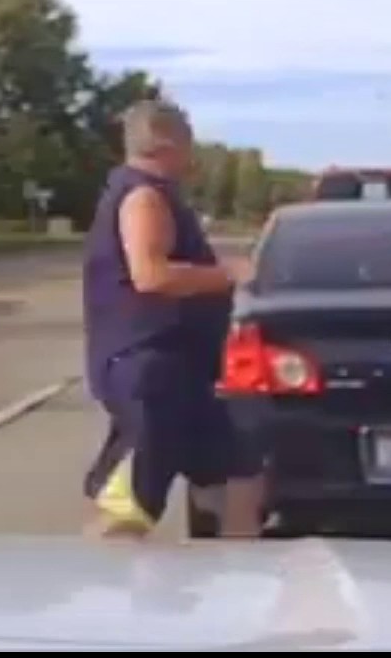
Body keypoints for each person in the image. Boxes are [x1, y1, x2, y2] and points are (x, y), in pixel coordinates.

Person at [79, 99, 265, 539]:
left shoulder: (155, 193)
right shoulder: (144, 196)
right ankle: (107, 592)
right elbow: (151, 274)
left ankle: (231, 574)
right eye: (188, 140)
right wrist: (230, 274)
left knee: (237, 479)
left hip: (185, 374)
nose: (192, 151)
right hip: (150, 375)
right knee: (127, 510)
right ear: (167, 142)